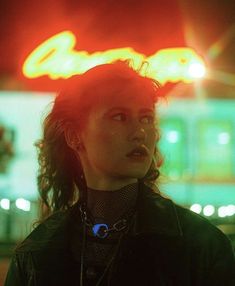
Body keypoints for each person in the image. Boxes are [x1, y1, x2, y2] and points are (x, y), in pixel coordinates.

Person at [4, 61, 235, 286]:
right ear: (74, 135)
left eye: (146, 118)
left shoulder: (200, 246)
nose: (139, 132)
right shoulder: (37, 253)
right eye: (119, 116)